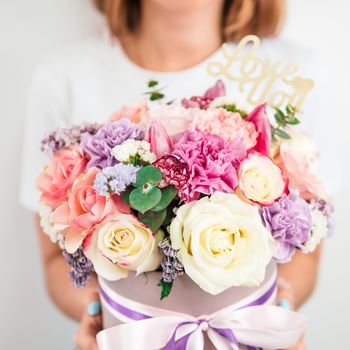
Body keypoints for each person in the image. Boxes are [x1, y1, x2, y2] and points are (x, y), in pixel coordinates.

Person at [20, 0, 340, 349]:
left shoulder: (296, 73)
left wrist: (275, 313)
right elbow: (55, 259)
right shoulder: (63, 77)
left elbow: (307, 247)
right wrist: (102, 313)